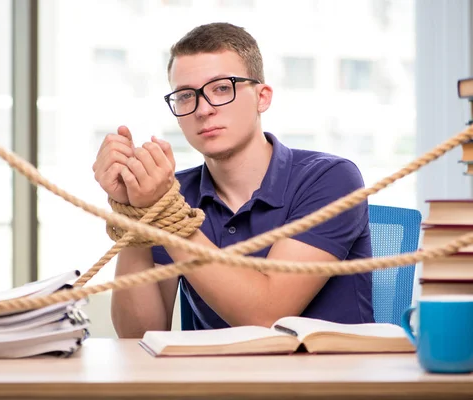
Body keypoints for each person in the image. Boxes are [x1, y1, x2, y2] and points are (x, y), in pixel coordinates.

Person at [92, 22, 374, 338]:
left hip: (325, 382)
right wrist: (134, 213)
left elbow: (266, 315)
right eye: (186, 96)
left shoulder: (330, 178)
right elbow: (138, 336)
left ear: (262, 97)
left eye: (222, 88)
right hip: (216, 383)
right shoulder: (175, 192)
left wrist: (166, 212)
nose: (202, 109)